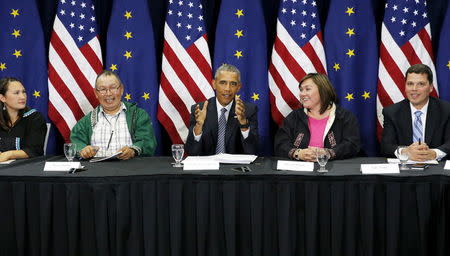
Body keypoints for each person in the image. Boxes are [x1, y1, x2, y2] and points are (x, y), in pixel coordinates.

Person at [70, 70, 156, 160]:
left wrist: (132, 151)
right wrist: (84, 150)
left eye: (113, 88)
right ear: (96, 93)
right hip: (97, 171)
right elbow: (76, 143)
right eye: (103, 89)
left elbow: (147, 141)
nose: (109, 93)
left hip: (131, 169)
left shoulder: (138, 115)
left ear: (121, 89)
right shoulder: (86, 121)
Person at [274, 73, 361, 161]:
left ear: (322, 90)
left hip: (334, 170)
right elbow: (280, 144)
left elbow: (352, 145)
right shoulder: (294, 117)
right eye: (301, 90)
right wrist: (298, 153)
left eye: (307, 89)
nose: (302, 94)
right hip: (300, 171)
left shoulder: (345, 116)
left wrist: (328, 153)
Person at [381, 64, 450, 161]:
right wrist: (405, 152)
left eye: (421, 84)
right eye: (410, 84)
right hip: (405, 171)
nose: (414, 89)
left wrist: (434, 153)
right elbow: (386, 146)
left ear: (430, 87)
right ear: (405, 87)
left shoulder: (446, 110)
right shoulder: (392, 112)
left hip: (437, 171)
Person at [185, 64, 258, 155]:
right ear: (214, 84)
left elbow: (252, 151)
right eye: (223, 83)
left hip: (233, 168)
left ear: (238, 87)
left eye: (233, 84)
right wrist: (199, 126)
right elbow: (191, 151)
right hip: (208, 167)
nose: (227, 89)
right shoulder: (200, 109)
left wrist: (244, 124)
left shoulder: (248, 110)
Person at [0, 77, 47, 162]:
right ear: (3, 98)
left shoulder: (35, 118)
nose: (22, 96)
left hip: (26, 169)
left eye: (24, 92)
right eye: (16, 93)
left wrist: (8, 154)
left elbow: (35, 150)